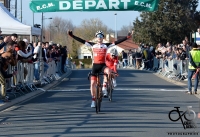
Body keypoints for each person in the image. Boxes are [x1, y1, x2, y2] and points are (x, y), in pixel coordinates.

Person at [68, 30, 132, 108]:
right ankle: (93, 100)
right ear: (96, 38)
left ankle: (104, 87)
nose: (99, 38)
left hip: (103, 66)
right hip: (95, 66)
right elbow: (81, 40)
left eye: (101, 36)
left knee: (108, 71)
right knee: (92, 84)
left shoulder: (106, 45)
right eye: (98, 36)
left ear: (103, 38)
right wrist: (72, 36)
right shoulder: (92, 45)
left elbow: (117, 42)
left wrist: (127, 37)